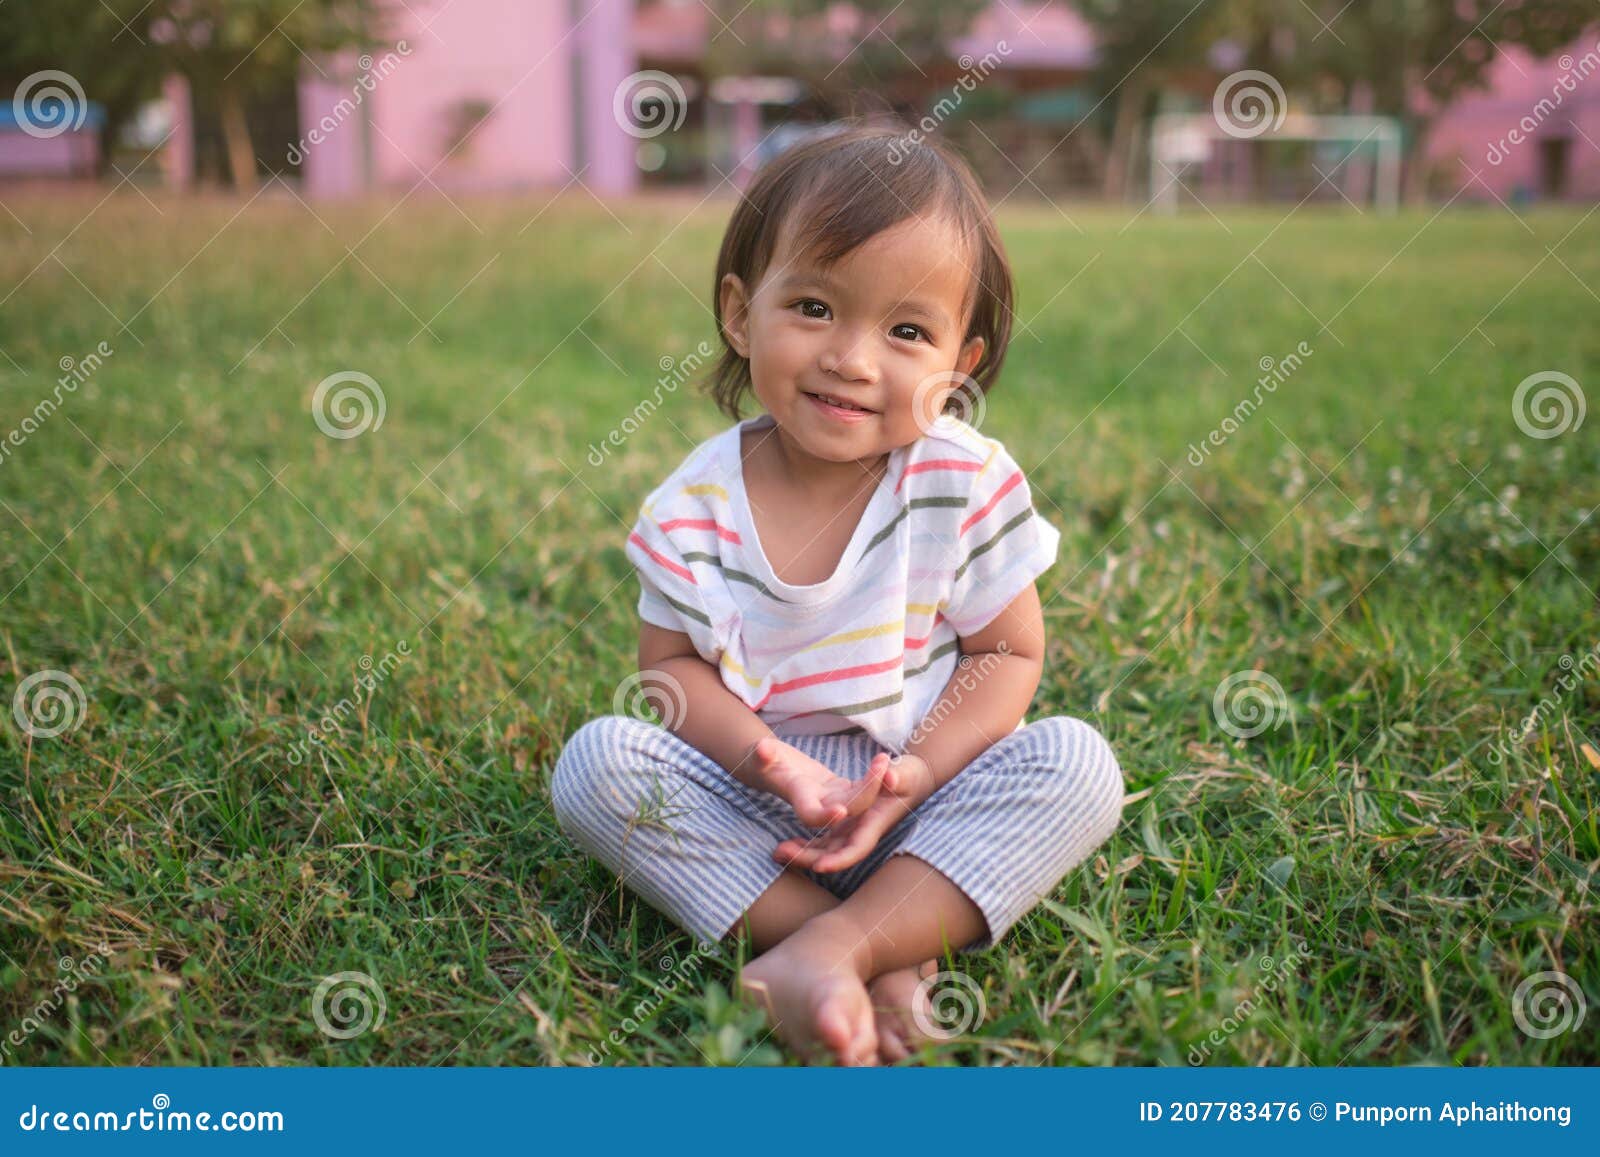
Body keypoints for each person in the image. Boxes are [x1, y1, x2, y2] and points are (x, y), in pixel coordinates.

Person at [552, 122, 1125, 1066]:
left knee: (1078, 764)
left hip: (921, 792)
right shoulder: (696, 504)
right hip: (757, 798)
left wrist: (921, 772)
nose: (853, 359)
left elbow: (1007, 652)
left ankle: (831, 947)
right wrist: (774, 764)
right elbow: (669, 672)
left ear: (960, 363)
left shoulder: (961, 480)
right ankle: (879, 938)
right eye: (814, 307)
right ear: (742, 313)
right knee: (598, 763)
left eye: (906, 331)